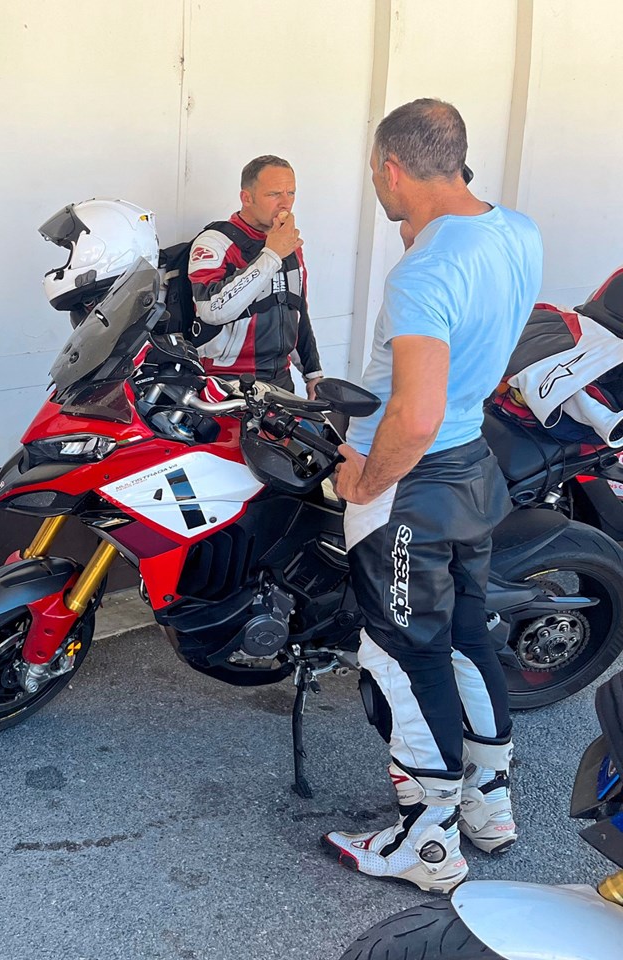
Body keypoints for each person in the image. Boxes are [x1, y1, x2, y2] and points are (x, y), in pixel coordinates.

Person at [324, 100, 543, 892]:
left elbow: (414, 416)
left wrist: (363, 479)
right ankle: (488, 805)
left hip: (412, 485)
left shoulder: (425, 271)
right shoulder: (515, 231)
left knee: (402, 655)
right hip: (472, 464)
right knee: (465, 636)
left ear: (392, 168)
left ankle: (428, 844)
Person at [188, 155, 324, 395]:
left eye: (291, 193)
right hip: (225, 382)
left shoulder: (289, 244)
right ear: (246, 198)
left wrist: (313, 374)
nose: (285, 203)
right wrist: (271, 255)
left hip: (280, 379)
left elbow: (297, 311)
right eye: (274, 194)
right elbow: (211, 310)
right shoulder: (214, 242)